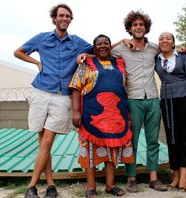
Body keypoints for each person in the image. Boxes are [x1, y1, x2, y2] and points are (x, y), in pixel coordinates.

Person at [13, 4, 93, 198]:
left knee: (48, 140)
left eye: (68, 16)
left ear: (70, 20)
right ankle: (51, 185)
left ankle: (31, 187)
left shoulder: (77, 42)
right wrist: (37, 62)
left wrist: (85, 54)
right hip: (40, 92)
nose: (65, 18)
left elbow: (100, 49)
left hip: (62, 96)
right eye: (61, 15)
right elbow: (18, 52)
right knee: (44, 144)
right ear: (54, 18)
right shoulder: (42, 38)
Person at [69, 34, 134, 198]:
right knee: (90, 150)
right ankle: (91, 187)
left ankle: (109, 185)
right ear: (94, 47)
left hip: (116, 115)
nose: (103, 46)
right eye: (99, 44)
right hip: (92, 114)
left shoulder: (120, 64)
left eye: (106, 43)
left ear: (111, 46)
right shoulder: (85, 65)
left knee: (112, 150)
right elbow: (76, 88)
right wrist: (76, 111)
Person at [110, 10, 168, 193]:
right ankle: (131, 178)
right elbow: (101, 49)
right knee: (132, 141)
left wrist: (180, 50)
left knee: (153, 140)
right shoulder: (121, 48)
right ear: (129, 28)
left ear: (146, 27)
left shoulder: (154, 48)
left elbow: (169, 51)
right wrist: (121, 41)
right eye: (135, 25)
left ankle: (153, 178)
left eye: (141, 24)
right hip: (133, 99)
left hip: (152, 98)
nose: (138, 27)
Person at [155, 32, 186, 192]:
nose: (164, 41)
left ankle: (184, 178)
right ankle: (175, 176)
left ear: (173, 43)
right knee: (171, 138)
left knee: (184, 138)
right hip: (166, 100)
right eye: (161, 39)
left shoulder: (182, 57)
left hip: (184, 99)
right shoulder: (156, 59)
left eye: (168, 39)